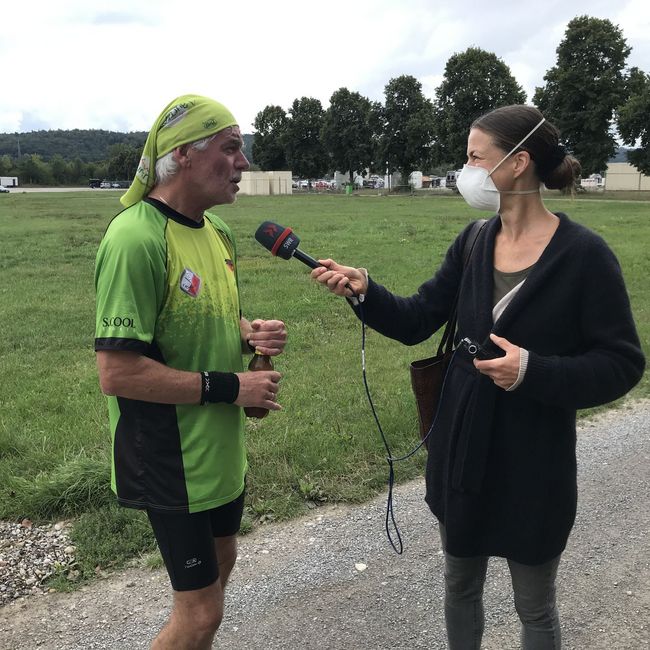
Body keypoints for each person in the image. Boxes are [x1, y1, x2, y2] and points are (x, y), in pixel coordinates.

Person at [310, 104, 645, 649]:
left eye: (474, 158)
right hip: (462, 450)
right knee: (459, 585)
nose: (466, 170)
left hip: (535, 461)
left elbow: (623, 363)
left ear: (518, 164)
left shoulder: (585, 256)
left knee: (535, 607)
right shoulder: (472, 242)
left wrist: (531, 371)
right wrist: (365, 289)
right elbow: (419, 317)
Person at [94, 94, 287, 649]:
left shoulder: (216, 231)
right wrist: (233, 387)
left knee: (219, 579)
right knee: (200, 613)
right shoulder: (135, 237)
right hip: (167, 457)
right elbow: (118, 371)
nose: (244, 163)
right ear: (182, 155)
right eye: (230, 149)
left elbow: (210, 315)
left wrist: (249, 332)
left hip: (221, 450)